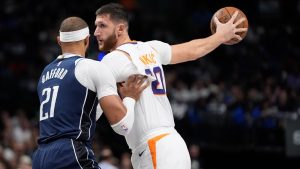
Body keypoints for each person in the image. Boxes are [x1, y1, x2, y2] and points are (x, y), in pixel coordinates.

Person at [94, 3, 247, 169]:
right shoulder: (151, 48)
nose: (96, 32)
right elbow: (193, 50)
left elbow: (93, 111)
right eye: (96, 26)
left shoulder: (112, 60)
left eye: (102, 26)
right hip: (172, 143)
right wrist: (220, 36)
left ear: (120, 29)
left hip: (154, 147)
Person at [32, 16, 148, 169]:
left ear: (59, 41)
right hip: (69, 152)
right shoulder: (91, 67)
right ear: (87, 40)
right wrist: (130, 98)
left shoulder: (45, 74)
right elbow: (123, 126)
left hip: (40, 157)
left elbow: (84, 115)